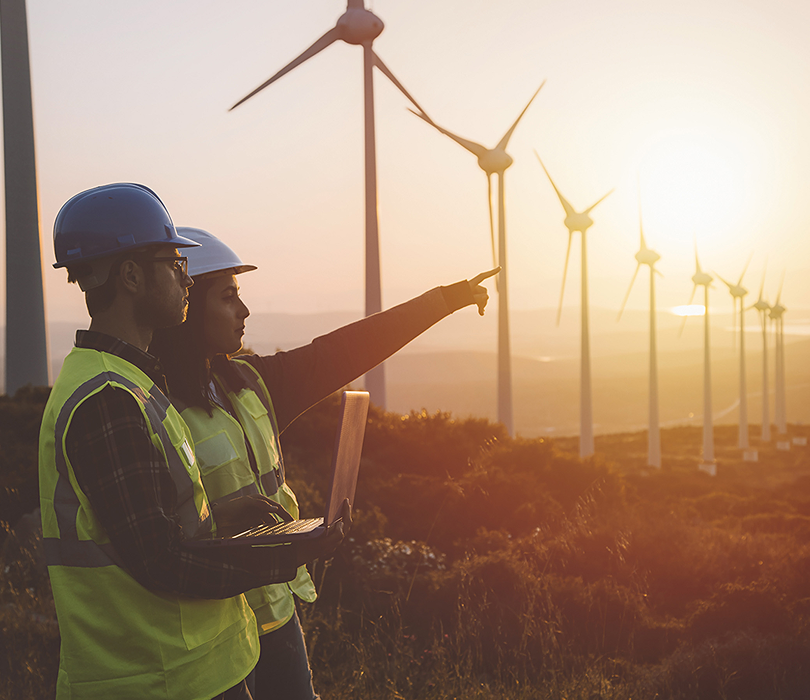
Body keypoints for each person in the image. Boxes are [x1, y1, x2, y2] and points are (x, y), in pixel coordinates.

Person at [149, 226, 498, 700]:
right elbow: (158, 536)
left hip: (276, 613)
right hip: (211, 628)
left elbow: (344, 350)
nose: (244, 310)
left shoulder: (251, 383)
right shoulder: (152, 406)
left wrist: (443, 300)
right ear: (189, 307)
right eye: (228, 297)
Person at [38, 184, 345, 700]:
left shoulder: (133, 383)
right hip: (157, 680)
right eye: (174, 260)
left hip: (197, 670)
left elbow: (147, 529)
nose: (186, 275)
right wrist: (286, 553)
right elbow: (161, 561)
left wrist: (224, 518)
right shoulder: (106, 400)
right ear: (131, 276)